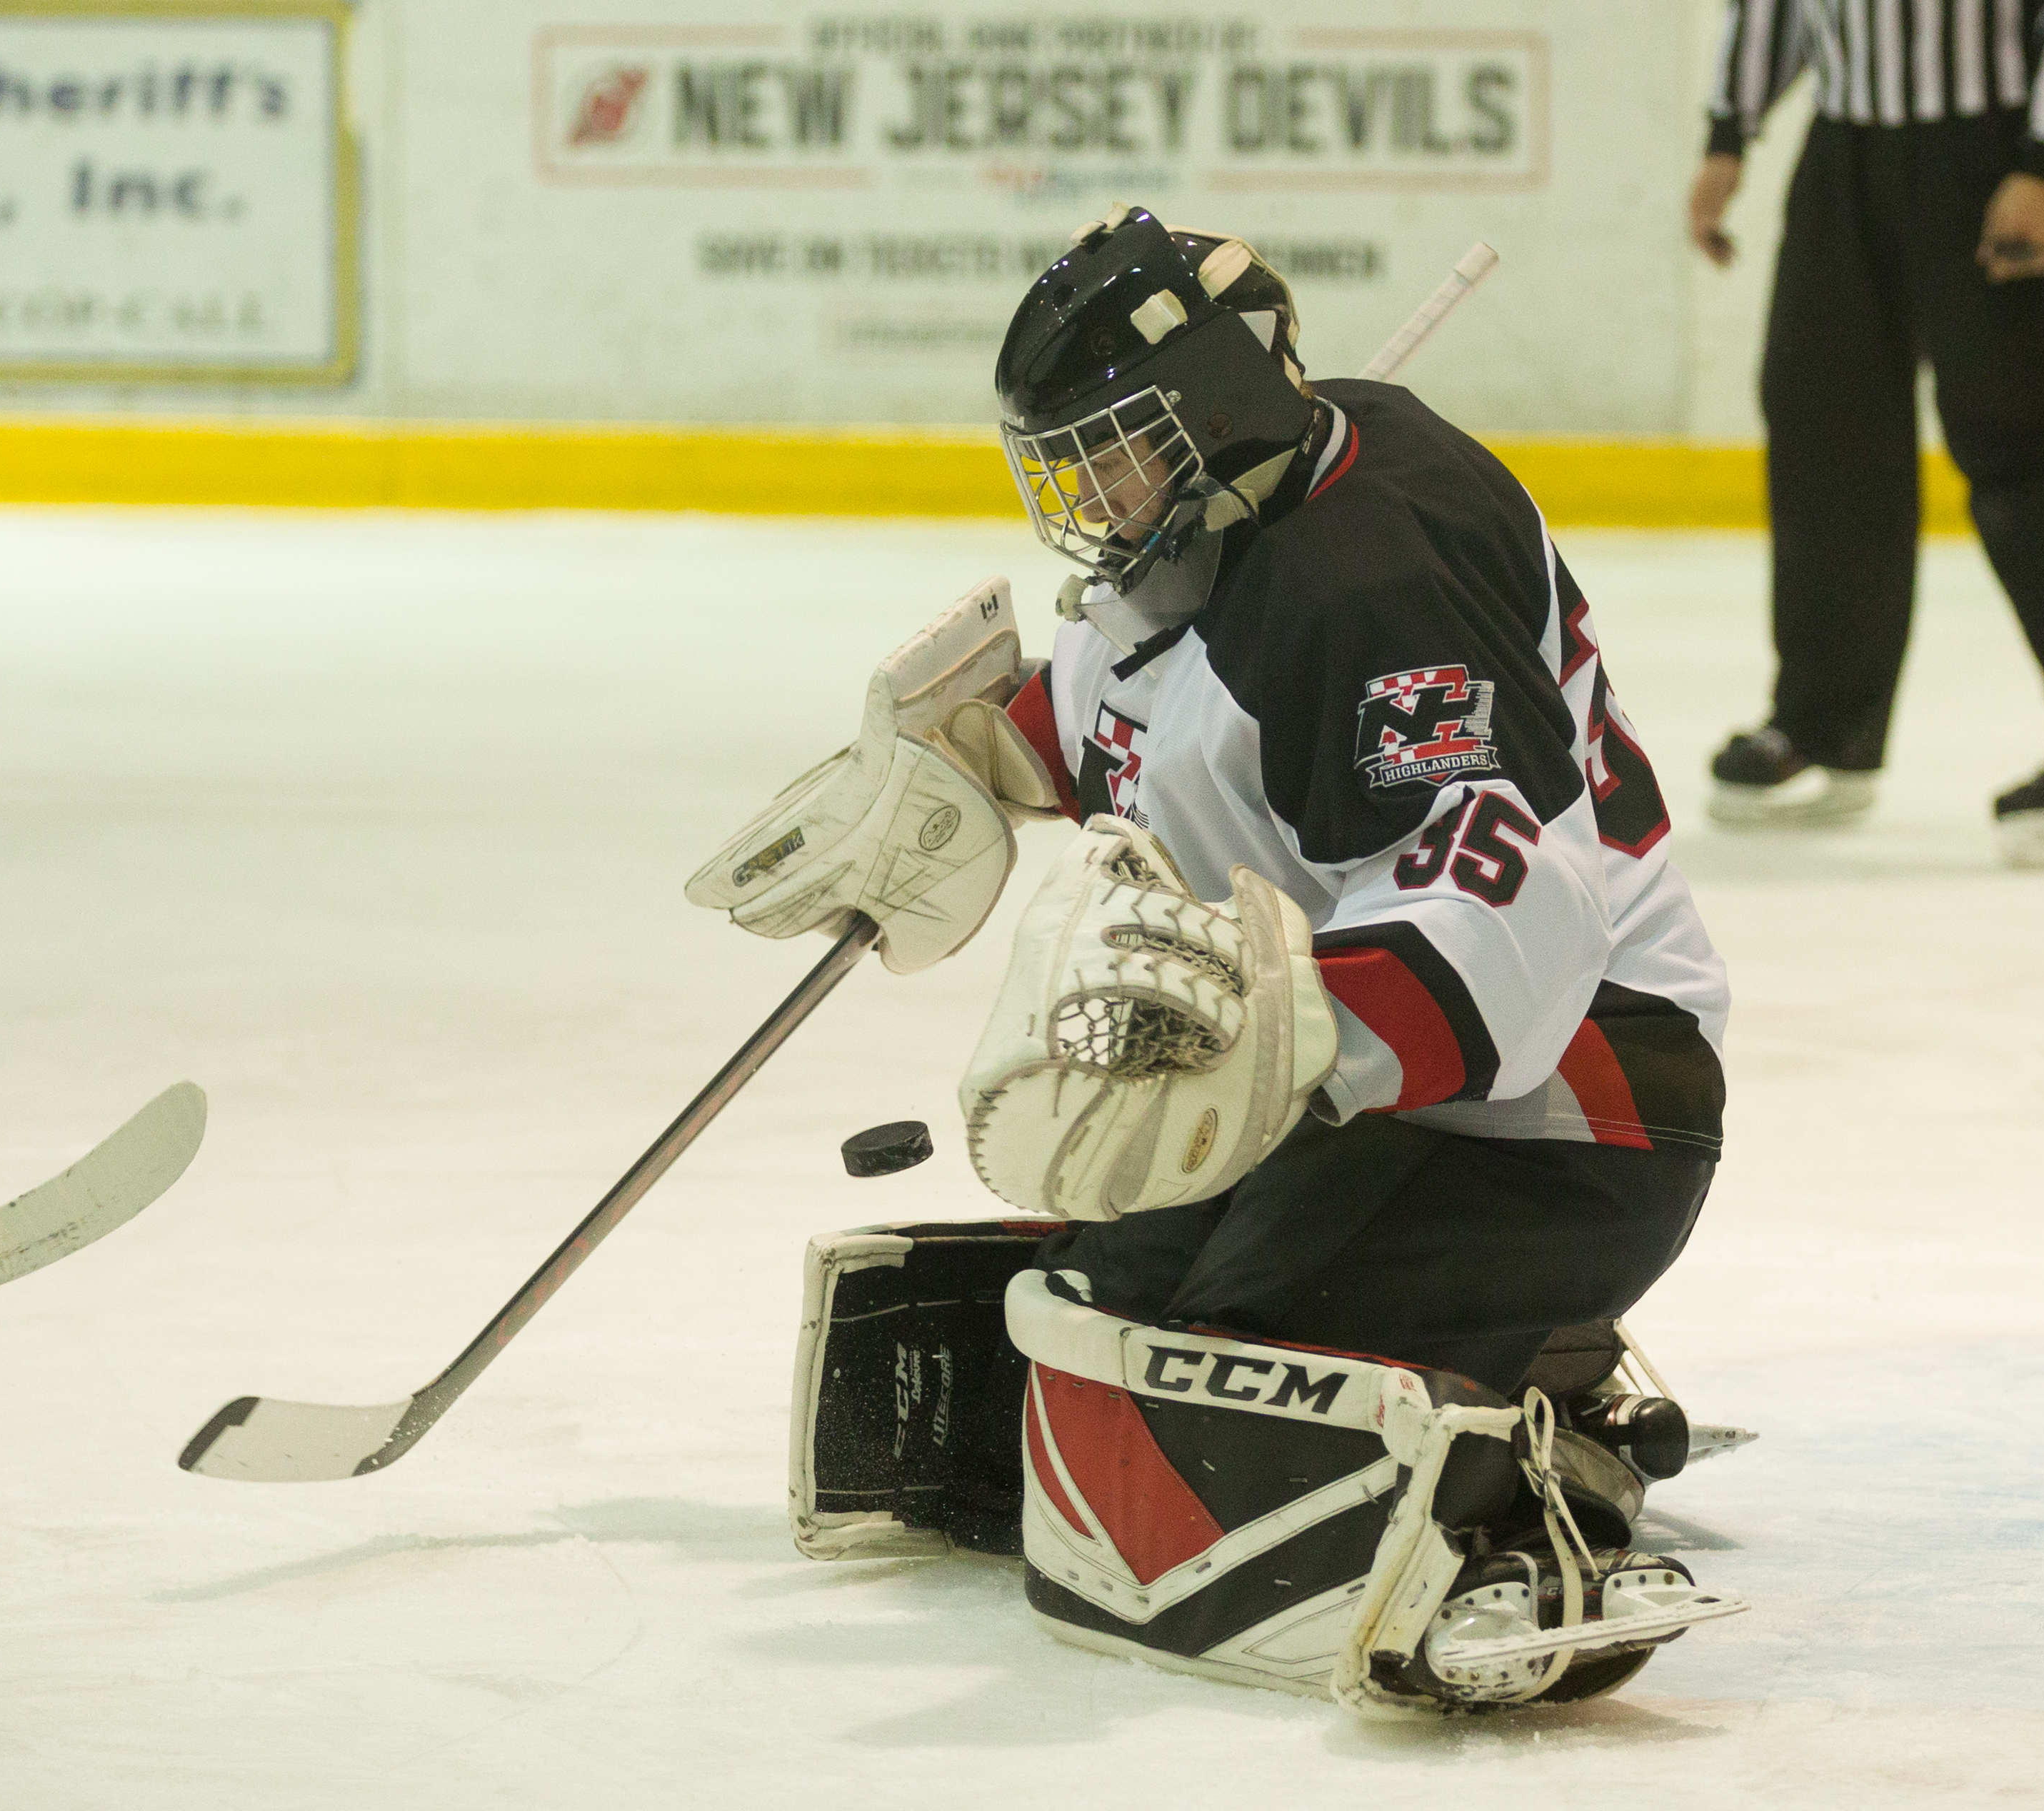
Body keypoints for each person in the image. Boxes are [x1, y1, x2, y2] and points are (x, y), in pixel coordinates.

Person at [688, 209, 1743, 1713]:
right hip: (1397, 1094)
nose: (1085, 490)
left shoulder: (1377, 588)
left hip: (1572, 1100)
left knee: (1198, 1369)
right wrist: (977, 756)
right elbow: (1147, 702)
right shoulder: (1214, 525)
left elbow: (1518, 915)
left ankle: (1527, 1485)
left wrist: (1289, 1026)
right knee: (1105, 1308)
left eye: (1111, 446)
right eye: (1066, 458)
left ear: (1219, 411)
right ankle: (1513, 1354)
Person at [1693, 0, 2044, 865]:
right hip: (1844, 150)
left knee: (2031, 438)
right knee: (1825, 433)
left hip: (1994, 148)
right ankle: (1824, 720)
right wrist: (1728, 132)